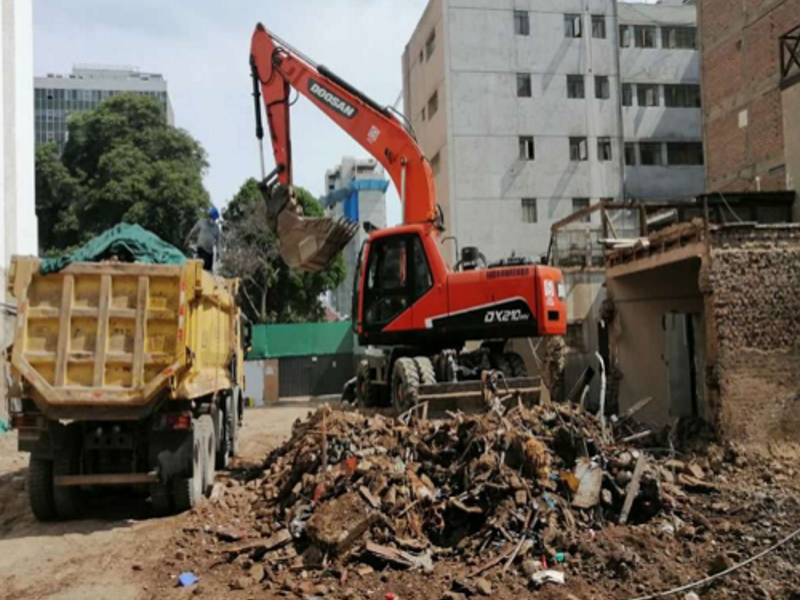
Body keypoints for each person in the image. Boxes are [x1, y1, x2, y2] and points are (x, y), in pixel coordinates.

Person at [185, 207, 221, 271]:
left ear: (215, 219)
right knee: (202, 266)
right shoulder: (202, 222)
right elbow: (193, 231)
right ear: (208, 216)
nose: (211, 219)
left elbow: (218, 241)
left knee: (208, 269)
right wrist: (187, 239)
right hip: (201, 248)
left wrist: (218, 252)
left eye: (213, 218)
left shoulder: (216, 228)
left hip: (209, 252)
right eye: (210, 217)